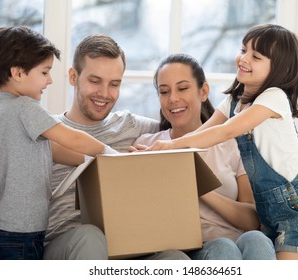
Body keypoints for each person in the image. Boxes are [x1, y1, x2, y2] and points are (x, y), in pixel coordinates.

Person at [146, 24, 298, 260]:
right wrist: (154, 153)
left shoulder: (274, 99)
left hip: (297, 210)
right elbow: (204, 135)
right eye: (243, 50)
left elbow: (226, 131)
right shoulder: (234, 101)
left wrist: (172, 146)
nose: (243, 59)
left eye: (256, 56)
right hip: (268, 210)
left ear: (278, 68)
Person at [41, 34, 189, 260]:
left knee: (175, 258)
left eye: (114, 84)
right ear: (73, 76)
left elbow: (183, 131)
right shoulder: (47, 131)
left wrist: (153, 154)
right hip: (69, 245)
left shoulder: (131, 126)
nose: (104, 93)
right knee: (89, 237)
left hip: (129, 246)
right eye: (95, 81)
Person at [0, 26, 116, 260]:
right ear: (18, 73)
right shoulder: (24, 107)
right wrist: (110, 153)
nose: (50, 80)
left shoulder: (3, 109)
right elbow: (71, 137)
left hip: (6, 226)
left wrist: (90, 160)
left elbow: (50, 151)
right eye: (45, 72)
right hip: (19, 231)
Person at [131, 53, 276, 260]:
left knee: (257, 239)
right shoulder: (146, 145)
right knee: (222, 247)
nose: (173, 98)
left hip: (236, 244)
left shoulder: (232, 144)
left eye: (182, 88)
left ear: (204, 91)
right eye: (164, 91)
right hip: (185, 251)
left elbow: (253, 219)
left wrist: (200, 188)